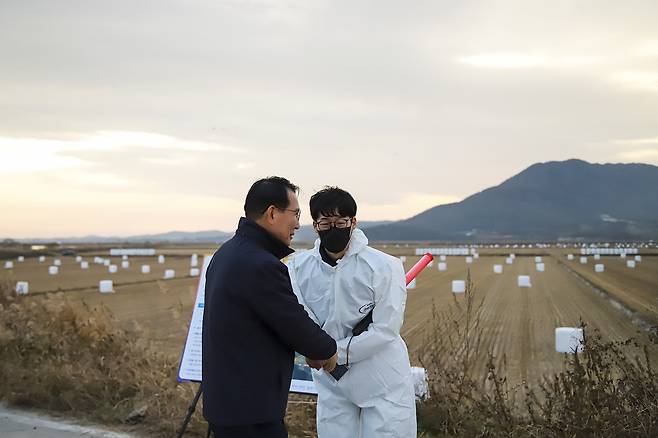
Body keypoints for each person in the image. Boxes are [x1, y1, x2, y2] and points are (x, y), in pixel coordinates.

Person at [202, 177, 338, 438]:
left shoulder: (227, 254)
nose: (298, 224)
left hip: (228, 402)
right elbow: (290, 320)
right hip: (251, 410)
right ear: (272, 213)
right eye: (295, 214)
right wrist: (326, 350)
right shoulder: (260, 264)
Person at [287, 187, 417, 438]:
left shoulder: (384, 266)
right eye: (325, 222)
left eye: (341, 222)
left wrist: (335, 352)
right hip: (333, 383)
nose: (333, 228)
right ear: (315, 225)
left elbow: (385, 329)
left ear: (353, 222)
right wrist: (316, 350)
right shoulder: (299, 268)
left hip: (382, 381)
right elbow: (302, 317)